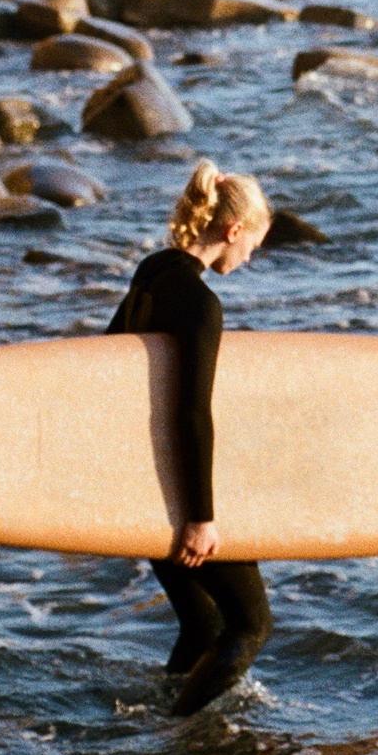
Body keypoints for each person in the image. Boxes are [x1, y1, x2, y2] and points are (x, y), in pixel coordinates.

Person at [108, 160, 275, 715]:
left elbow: (106, 361)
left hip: (135, 478)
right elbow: (192, 413)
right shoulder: (202, 305)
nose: (250, 258)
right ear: (232, 231)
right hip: (174, 491)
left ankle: (158, 713)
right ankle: (179, 729)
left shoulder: (152, 271)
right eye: (253, 244)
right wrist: (200, 518)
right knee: (251, 622)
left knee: (204, 623)